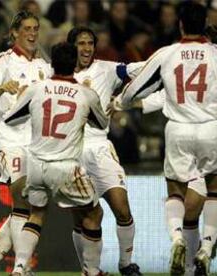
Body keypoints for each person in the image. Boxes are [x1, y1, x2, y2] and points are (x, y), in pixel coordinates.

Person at [111, 2, 217, 275]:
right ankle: (206, 250)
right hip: (212, 129)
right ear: (205, 23)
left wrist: (121, 102)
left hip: (179, 130)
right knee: (216, 191)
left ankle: (177, 240)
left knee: (175, 191)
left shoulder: (167, 53)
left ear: (181, 24)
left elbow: (137, 87)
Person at [4, 42, 108, 276]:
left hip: (36, 165)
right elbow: (102, 124)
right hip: (66, 167)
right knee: (93, 214)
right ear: (75, 65)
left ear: (52, 64)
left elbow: (10, 119)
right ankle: (92, 271)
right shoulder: (87, 94)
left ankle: (19, 268)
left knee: (37, 213)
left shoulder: (36, 89)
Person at [0, 11, 53, 276]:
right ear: (14, 33)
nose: (32, 34)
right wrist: (1, 88)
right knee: (22, 197)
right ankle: (20, 268)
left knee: (30, 205)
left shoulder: (45, 67)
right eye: (27, 29)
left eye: (36, 29)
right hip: (8, 141)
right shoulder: (3, 61)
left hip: (35, 144)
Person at [67, 26, 142, 276]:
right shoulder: (57, 73)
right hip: (71, 152)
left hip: (99, 147)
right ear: (71, 47)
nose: (87, 48)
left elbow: (136, 69)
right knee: (83, 218)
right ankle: (89, 270)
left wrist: (164, 61)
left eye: (90, 43)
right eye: (81, 43)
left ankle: (126, 264)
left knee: (122, 207)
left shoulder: (107, 69)